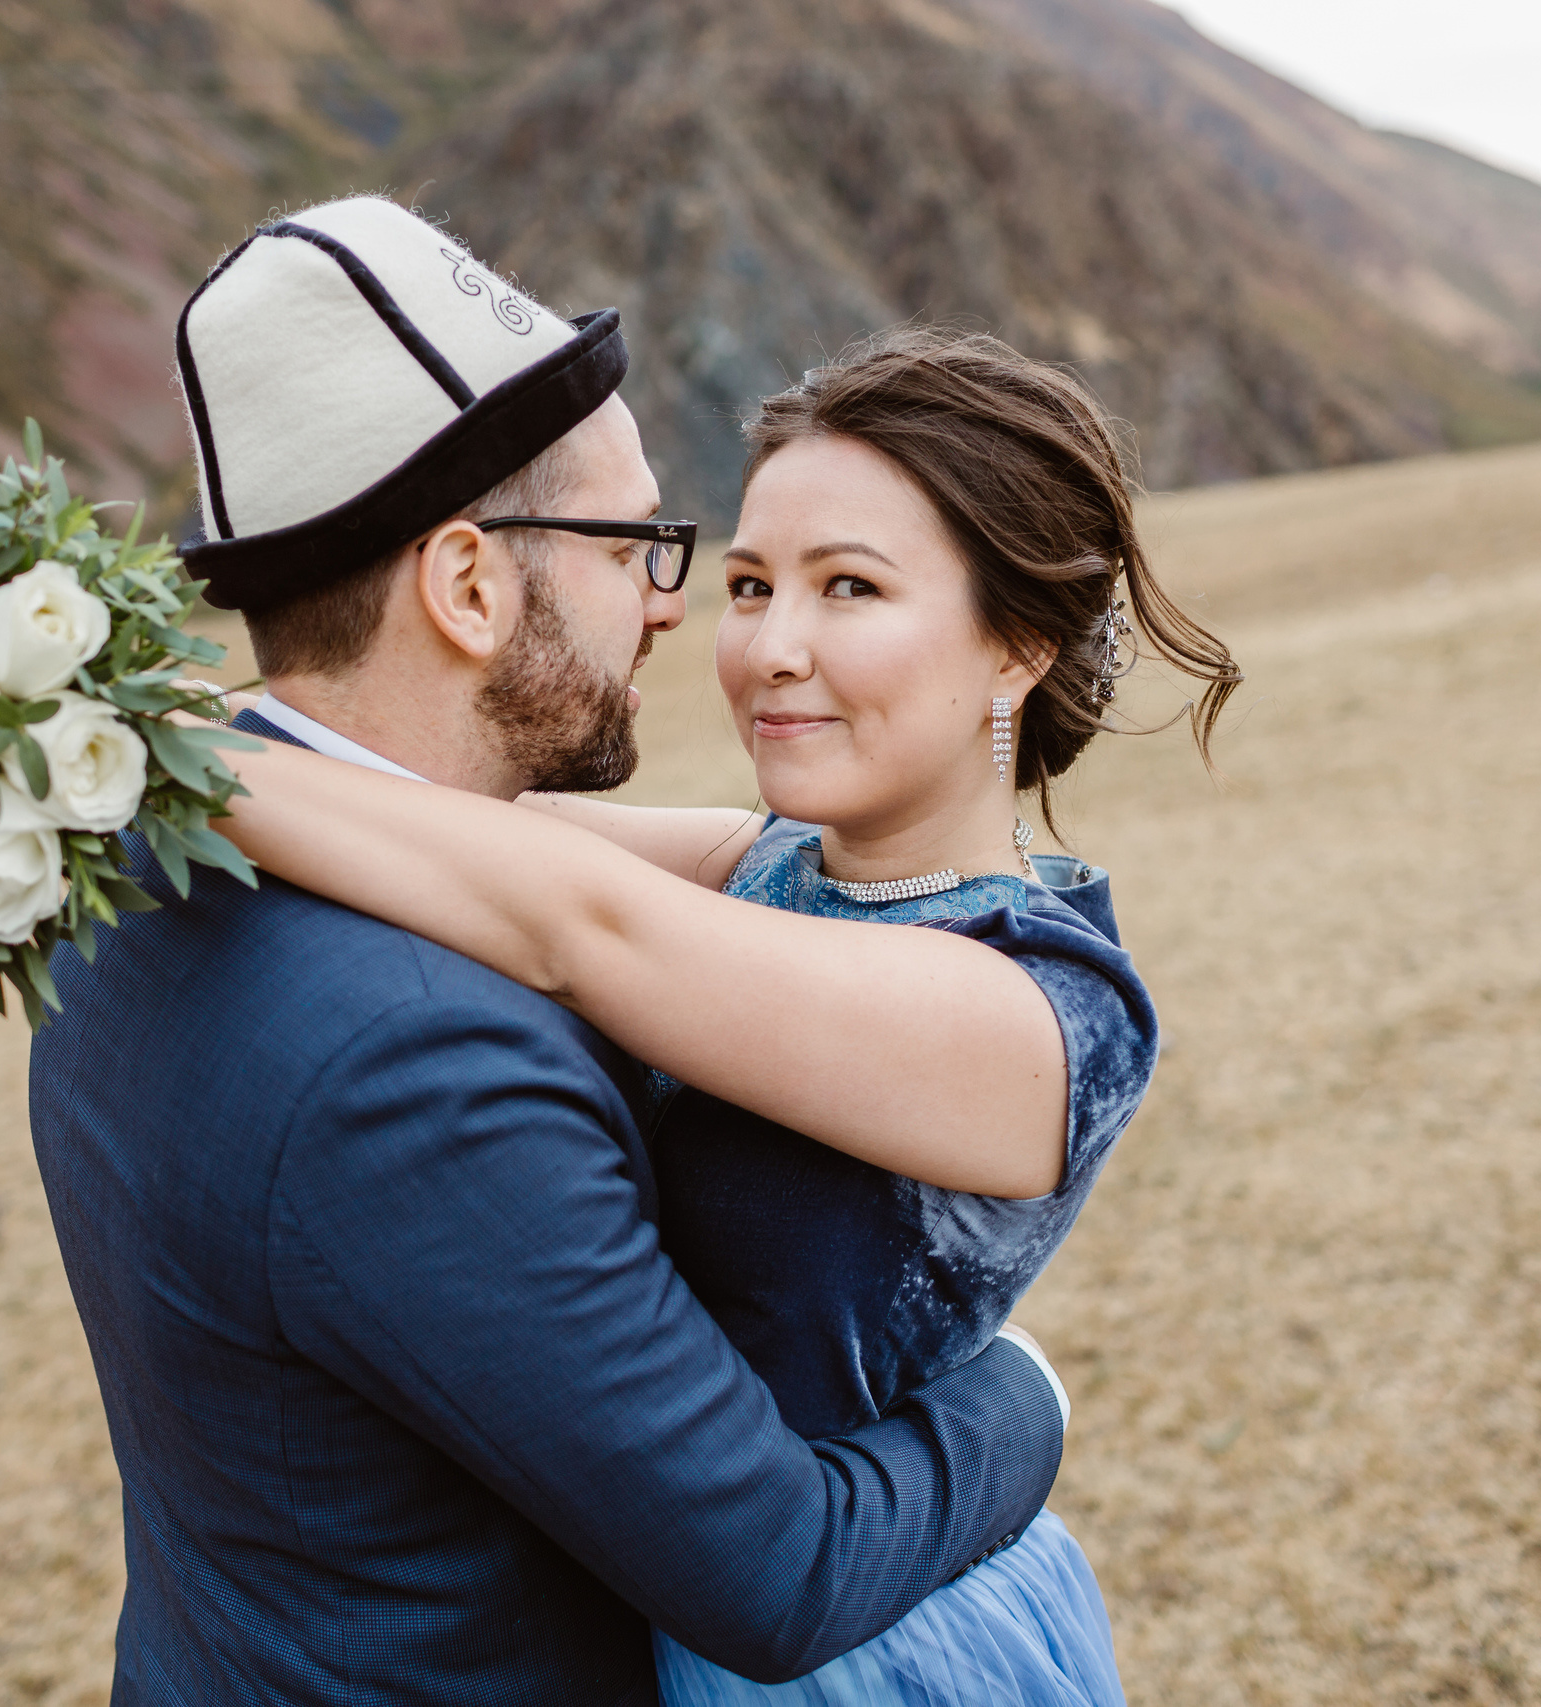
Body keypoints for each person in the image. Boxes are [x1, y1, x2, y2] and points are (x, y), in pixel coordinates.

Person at [29, 199, 1076, 1707]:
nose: (672, 608)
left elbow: (618, 888)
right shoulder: (414, 1061)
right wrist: (1020, 1400)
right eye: (636, 544)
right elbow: (774, 1573)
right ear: (468, 586)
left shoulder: (140, 860)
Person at [185, 327, 1243, 1703]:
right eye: (750, 584)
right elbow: (461, 822)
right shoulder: (771, 866)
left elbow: (572, 920)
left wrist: (154, 751)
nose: (770, 649)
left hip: (860, 1647)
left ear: (1016, 648)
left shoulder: (1037, 1017)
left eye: (849, 587)